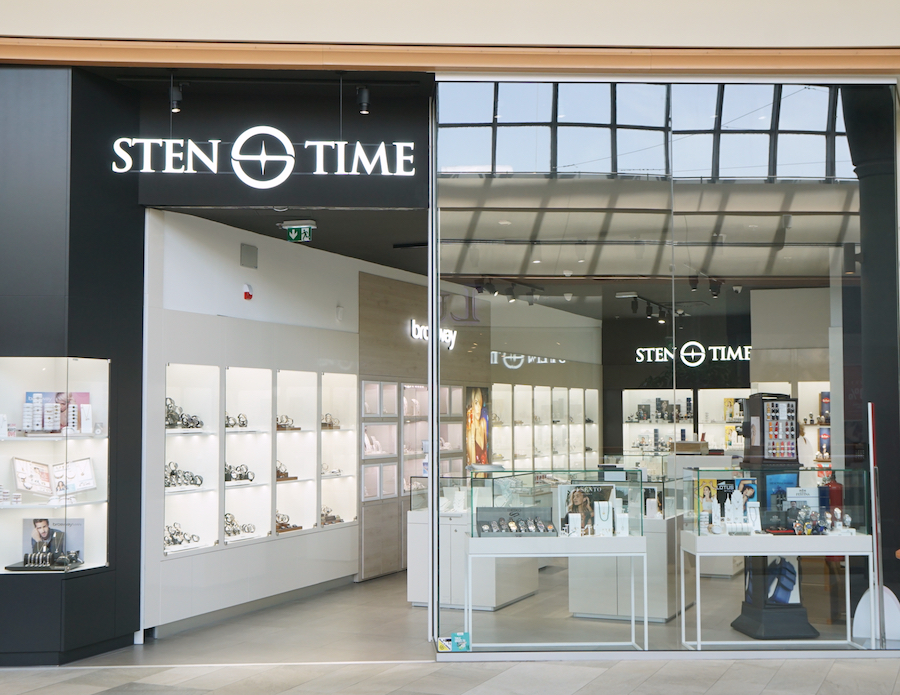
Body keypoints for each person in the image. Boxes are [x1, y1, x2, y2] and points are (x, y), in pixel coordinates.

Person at [466, 388, 489, 466]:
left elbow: (486, 460)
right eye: (476, 403)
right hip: (476, 477)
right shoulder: (470, 433)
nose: (478, 407)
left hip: (485, 476)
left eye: (480, 403)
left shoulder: (483, 424)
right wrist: (472, 435)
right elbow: (472, 464)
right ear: (471, 404)